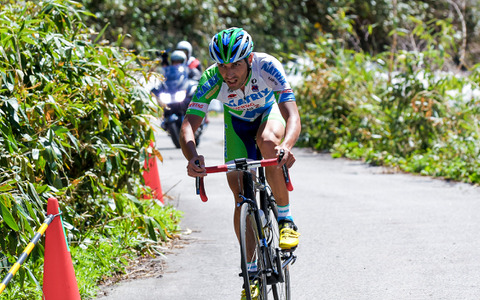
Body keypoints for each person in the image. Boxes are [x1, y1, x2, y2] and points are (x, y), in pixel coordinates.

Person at [180, 27, 300, 298]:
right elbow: (189, 123)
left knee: (267, 142)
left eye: (235, 64)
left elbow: (292, 114)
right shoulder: (212, 79)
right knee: (240, 195)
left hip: (268, 117)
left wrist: (286, 147)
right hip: (236, 127)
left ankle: (285, 220)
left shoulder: (267, 66)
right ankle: (251, 271)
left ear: (249, 59)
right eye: (222, 65)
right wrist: (192, 156)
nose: (228, 73)